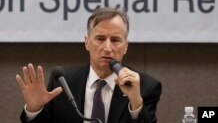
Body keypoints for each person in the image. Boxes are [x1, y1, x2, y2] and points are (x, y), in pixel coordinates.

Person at [16, 7, 162, 123]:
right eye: (100, 38)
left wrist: (135, 101)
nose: (107, 48)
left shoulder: (145, 86)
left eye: (115, 40)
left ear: (126, 46)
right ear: (87, 42)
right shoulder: (62, 81)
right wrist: (34, 109)